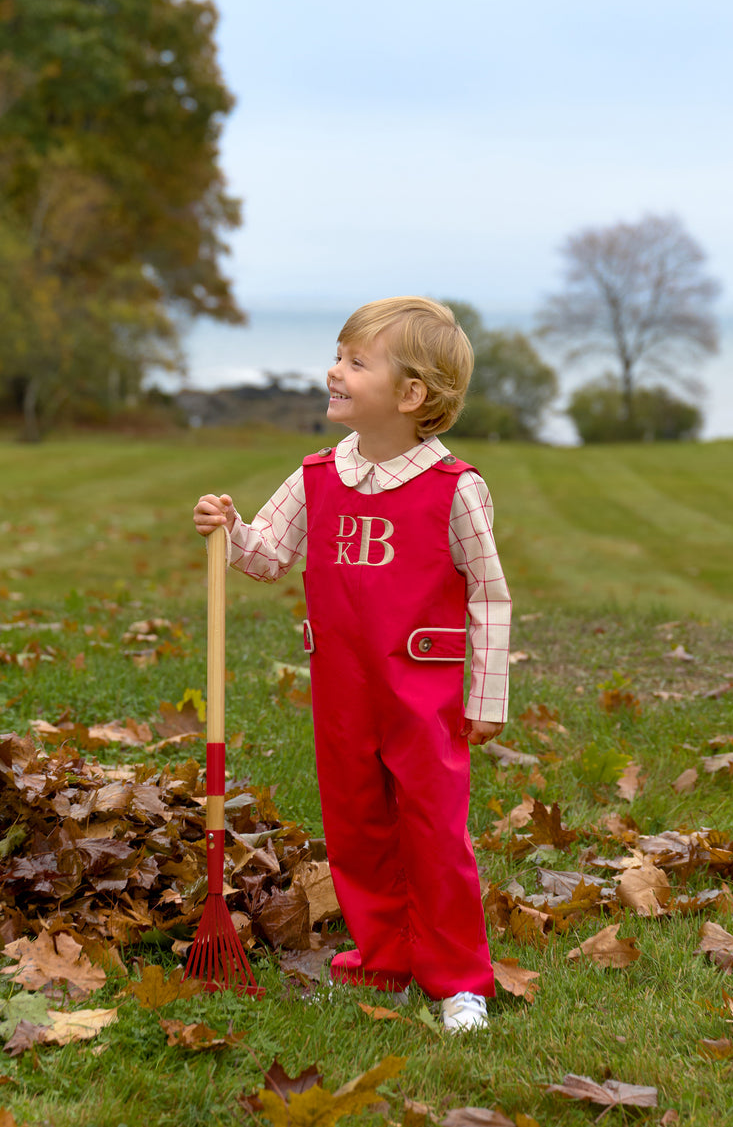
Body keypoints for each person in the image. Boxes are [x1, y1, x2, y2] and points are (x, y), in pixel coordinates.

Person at [193, 296, 511, 1031]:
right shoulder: (315, 476)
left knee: (433, 828)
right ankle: (381, 954)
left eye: (354, 361)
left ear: (410, 395)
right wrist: (230, 528)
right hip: (343, 687)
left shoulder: (453, 489)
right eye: (338, 354)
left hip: (422, 693)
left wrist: (487, 694)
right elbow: (269, 555)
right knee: (357, 824)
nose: (333, 371)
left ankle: (458, 975)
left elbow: (490, 595)